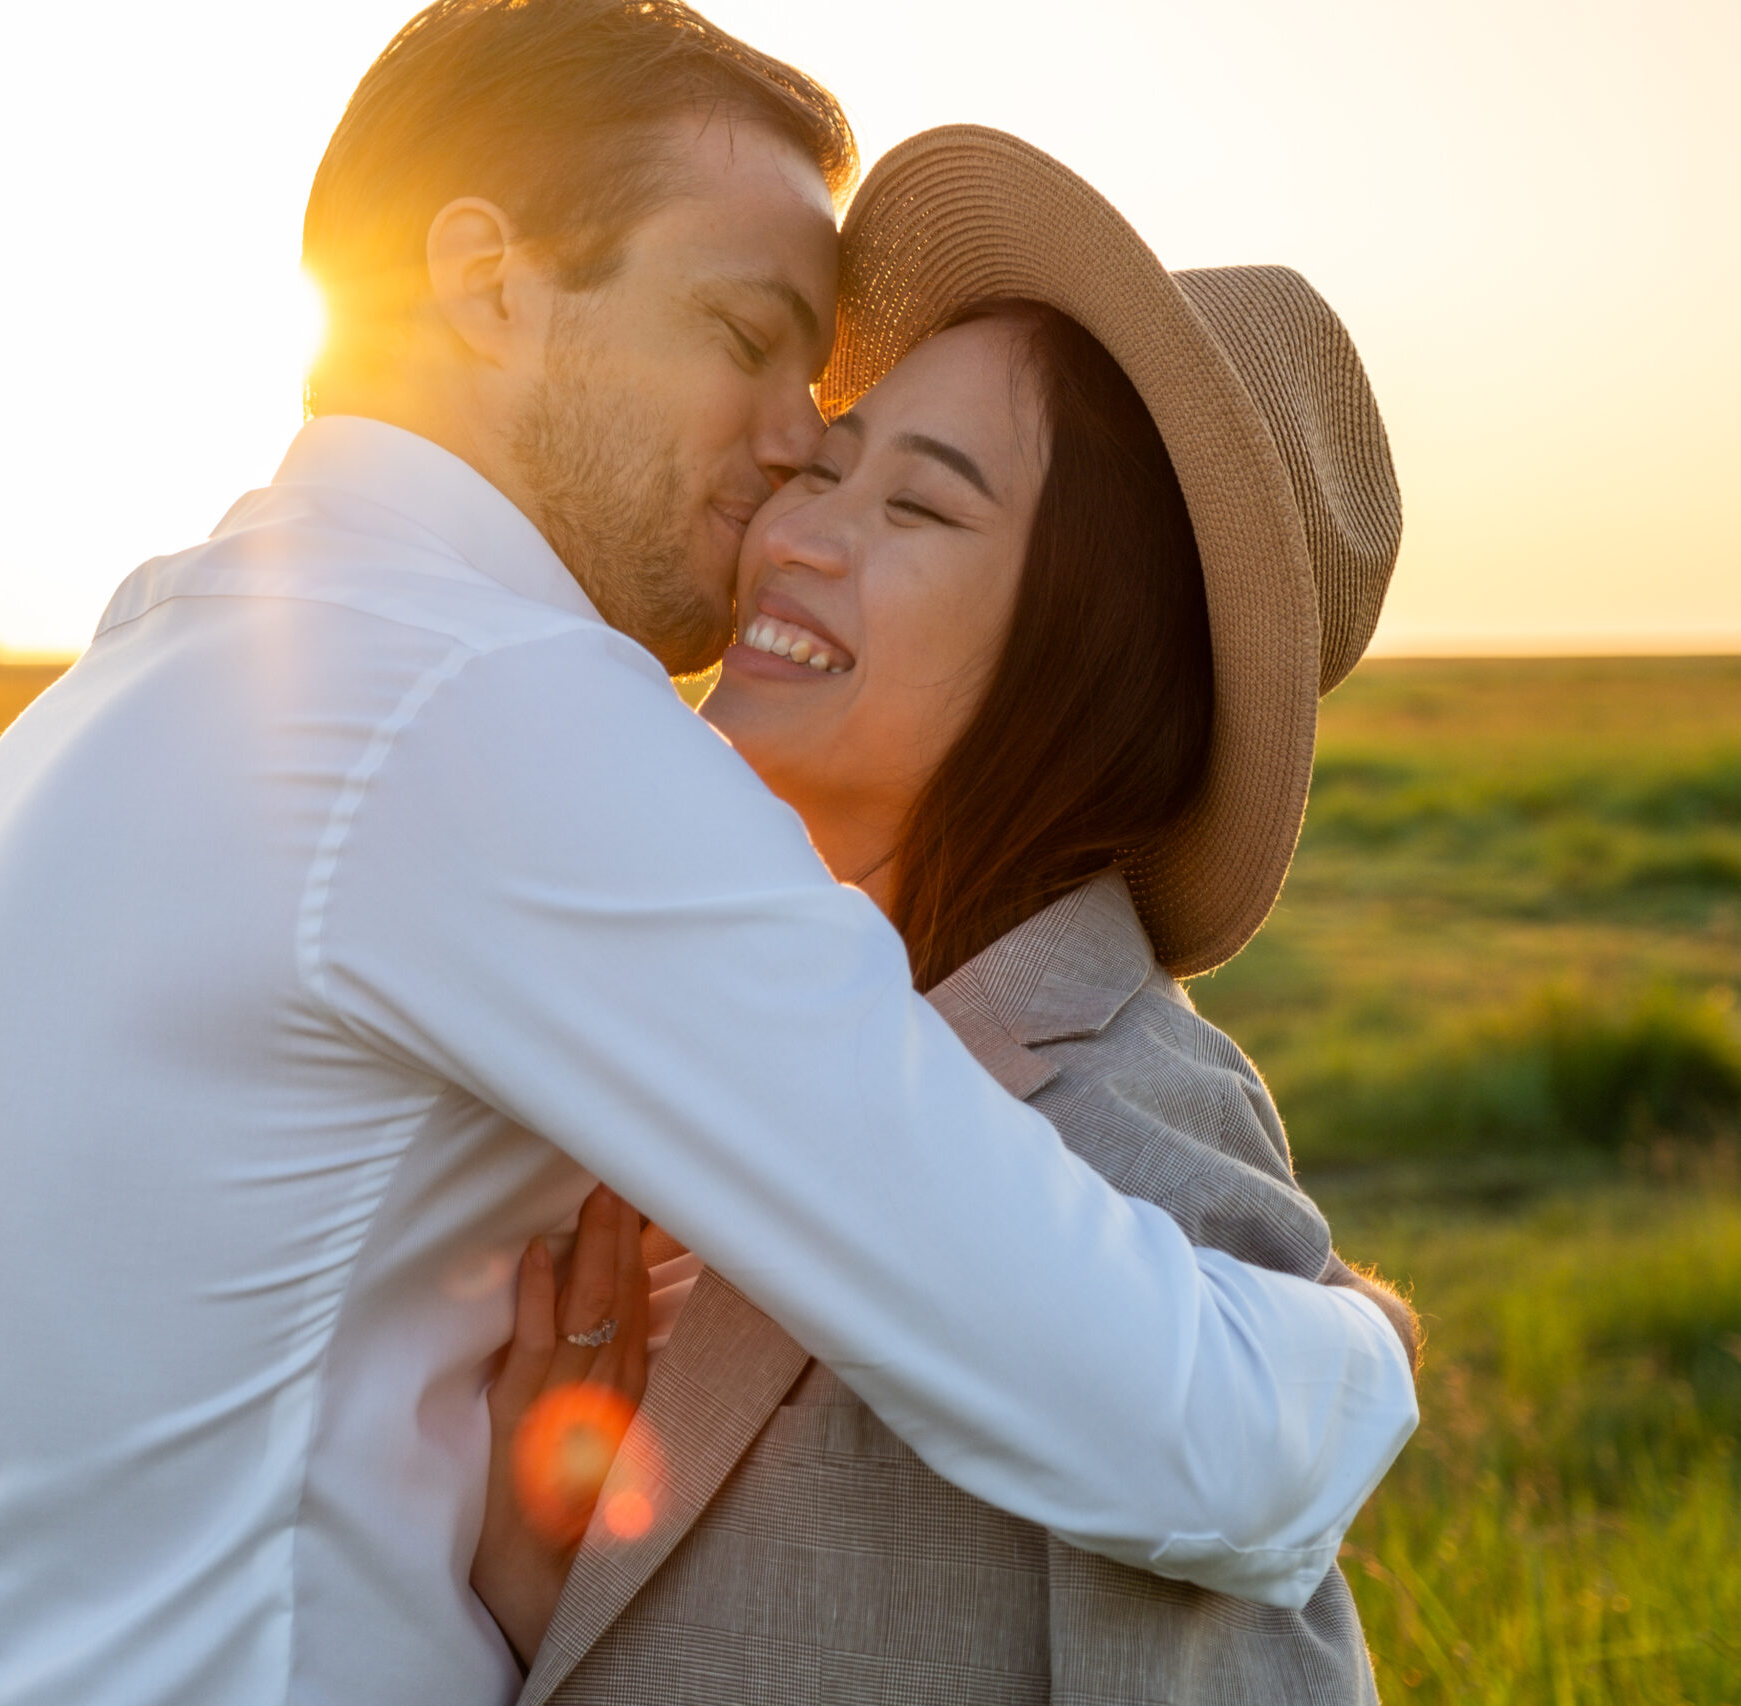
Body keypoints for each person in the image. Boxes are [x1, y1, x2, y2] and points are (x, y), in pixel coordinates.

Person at [0, 7, 1416, 1704]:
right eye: (742, 332)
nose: (793, 441)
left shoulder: (134, 681)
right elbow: (1186, 1430)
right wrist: (1369, 1346)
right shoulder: (479, 702)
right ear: (489, 283)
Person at [474, 128, 1417, 1704]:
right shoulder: (732, 1017)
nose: (792, 532)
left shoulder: (1131, 1131)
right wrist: (530, 1591)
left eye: (919, 509)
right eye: (828, 466)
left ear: (1082, 661)